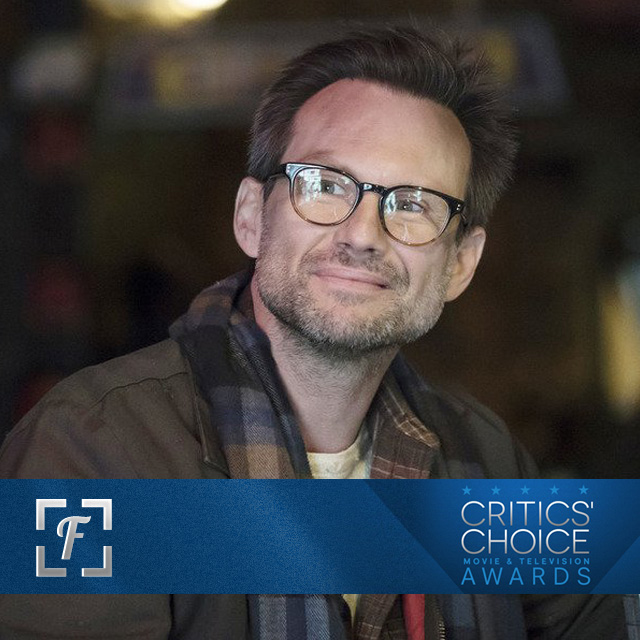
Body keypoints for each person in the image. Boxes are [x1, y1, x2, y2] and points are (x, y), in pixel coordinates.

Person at [0, 25, 627, 640]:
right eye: (325, 186)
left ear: (460, 264)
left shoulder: (484, 460)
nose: (362, 234)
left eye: (413, 204)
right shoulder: (92, 450)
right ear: (251, 217)